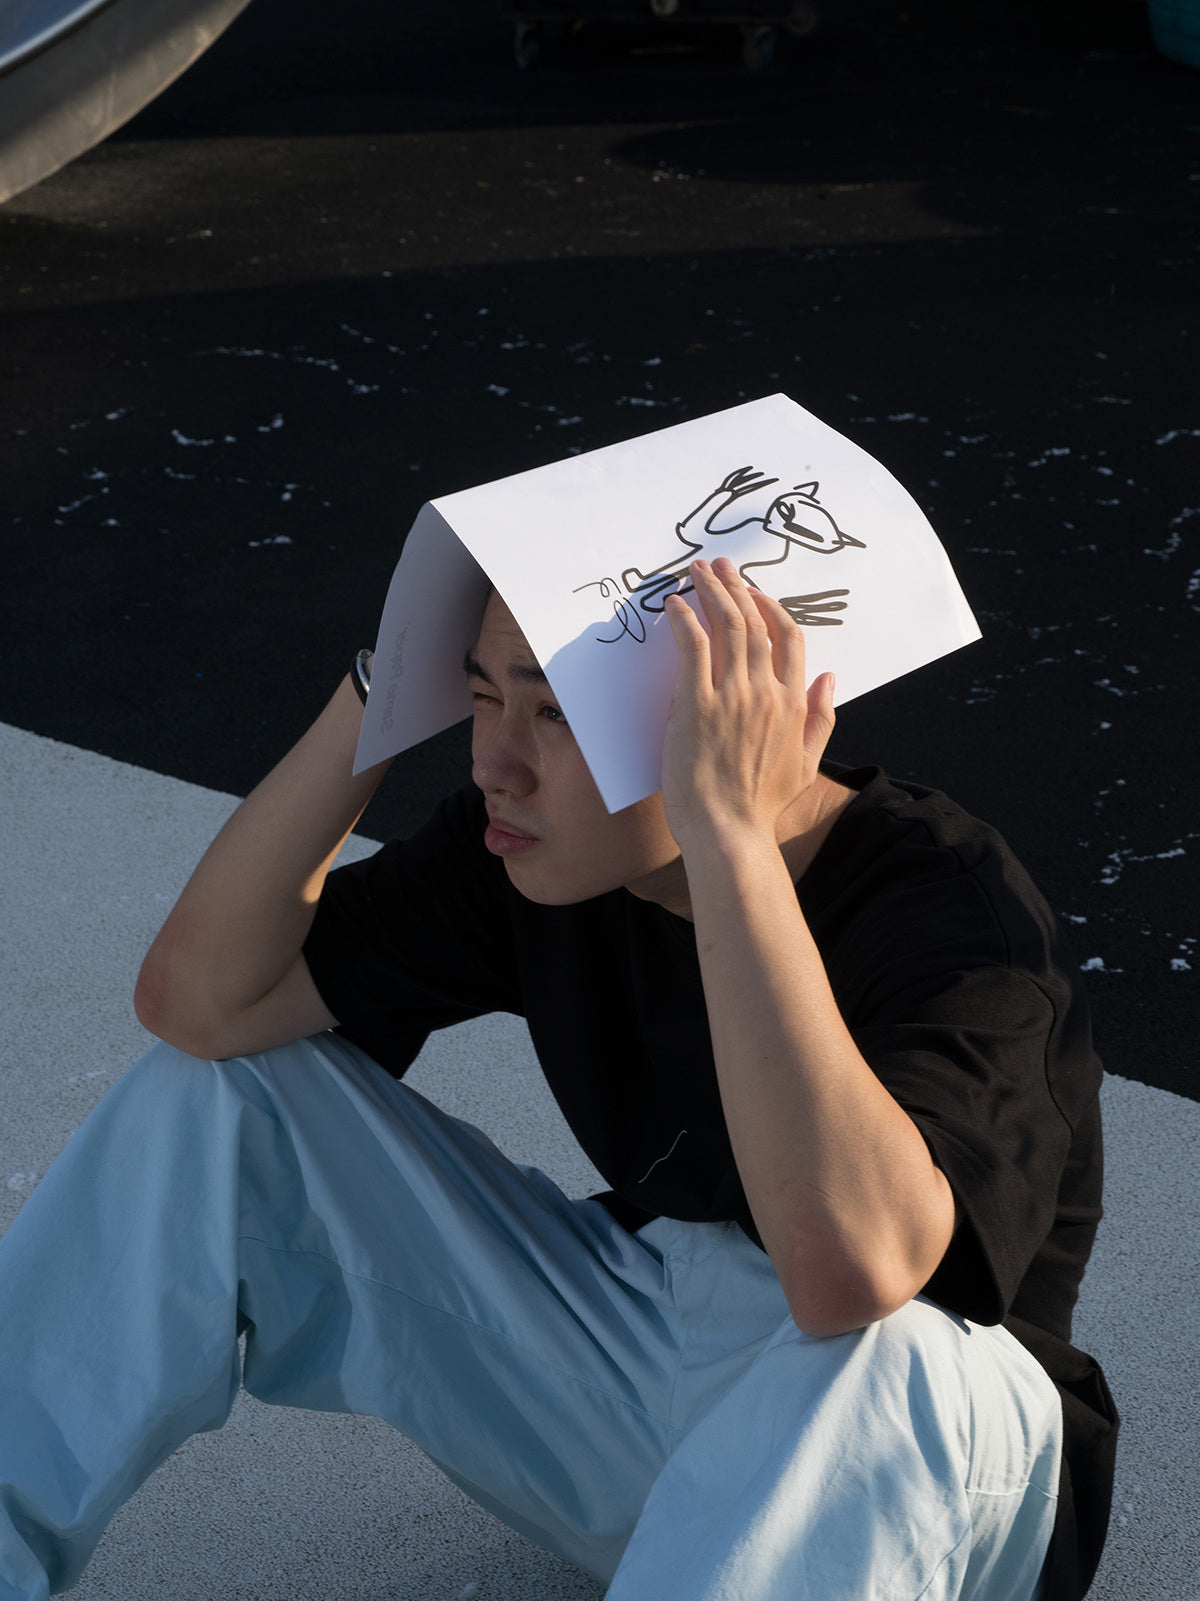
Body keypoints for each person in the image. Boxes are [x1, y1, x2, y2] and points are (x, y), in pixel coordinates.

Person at [0, 556, 1115, 1601]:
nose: (494, 759)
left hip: (929, 1475)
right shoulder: (535, 850)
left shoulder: (955, 907)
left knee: (882, 1344)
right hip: (652, 1368)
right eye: (481, 694)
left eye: (555, 710)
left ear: (725, 717)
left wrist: (726, 829)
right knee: (219, 1093)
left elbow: (850, 1272)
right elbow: (199, 1000)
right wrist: (381, 683)